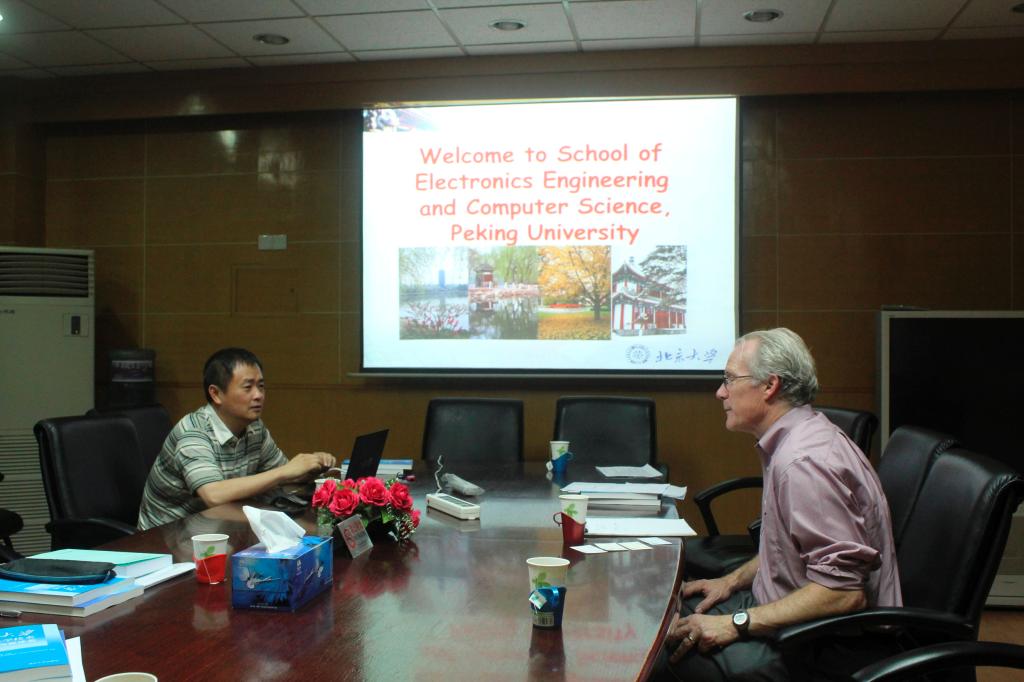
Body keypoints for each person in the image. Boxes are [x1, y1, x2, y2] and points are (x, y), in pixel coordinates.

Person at [658, 328, 901, 681]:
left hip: (826, 643)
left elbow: (844, 592)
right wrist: (731, 581)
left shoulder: (804, 463)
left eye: (729, 379)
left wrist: (735, 622)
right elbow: (791, 548)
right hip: (789, 613)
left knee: (662, 658)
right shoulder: (794, 440)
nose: (720, 392)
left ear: (769, 386)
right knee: (669, 622)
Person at [138, 347, 335, 530]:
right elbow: (213, 495)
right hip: (166, 536)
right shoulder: (194, 432)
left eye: (261, 386)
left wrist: (309, 469)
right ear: (216, 394)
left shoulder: (254, 428)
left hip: (218, 526)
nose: (258, 395)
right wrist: (285, 472)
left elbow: (282, 479)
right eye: (248, 387)